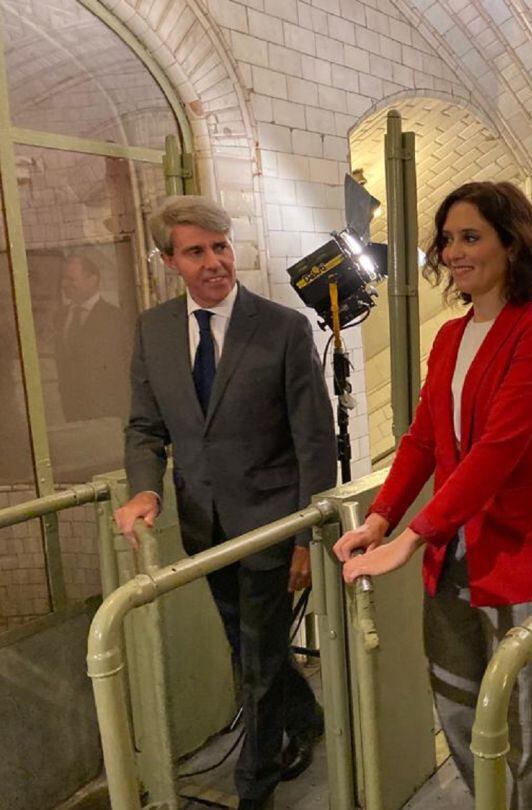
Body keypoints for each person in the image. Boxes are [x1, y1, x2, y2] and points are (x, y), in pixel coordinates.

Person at [332, 181, 532, 809]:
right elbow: (422, 439)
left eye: (470, 237)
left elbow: (498, 451)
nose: (453, 252)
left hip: (528, 552)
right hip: (451, 553)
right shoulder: (449, 336)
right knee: (458, 707)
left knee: (531, 730)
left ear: (512, 243)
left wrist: (412, 536)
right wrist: (381, 519)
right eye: (447, 239)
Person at [113, 196, 336, 809]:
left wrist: (304, 537)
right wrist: (146, 488)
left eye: (221, 247)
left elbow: (315, 441)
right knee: (249, 649)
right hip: (204, 526)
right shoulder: (154, 330)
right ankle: (308, 719)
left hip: (270, 526)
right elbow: (144, 426)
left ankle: (254, 784)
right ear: (169, 261)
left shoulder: (283, 328)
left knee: (259, 661)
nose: (214, 262)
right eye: (196, 252)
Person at [54, 254, 130, 422]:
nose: (65, 285)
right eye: (63, 280)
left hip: (108, 413)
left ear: (92, 280)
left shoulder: (115, 318)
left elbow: (125, 367)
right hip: (72, 411)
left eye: (71, 279)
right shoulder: (60, 317)